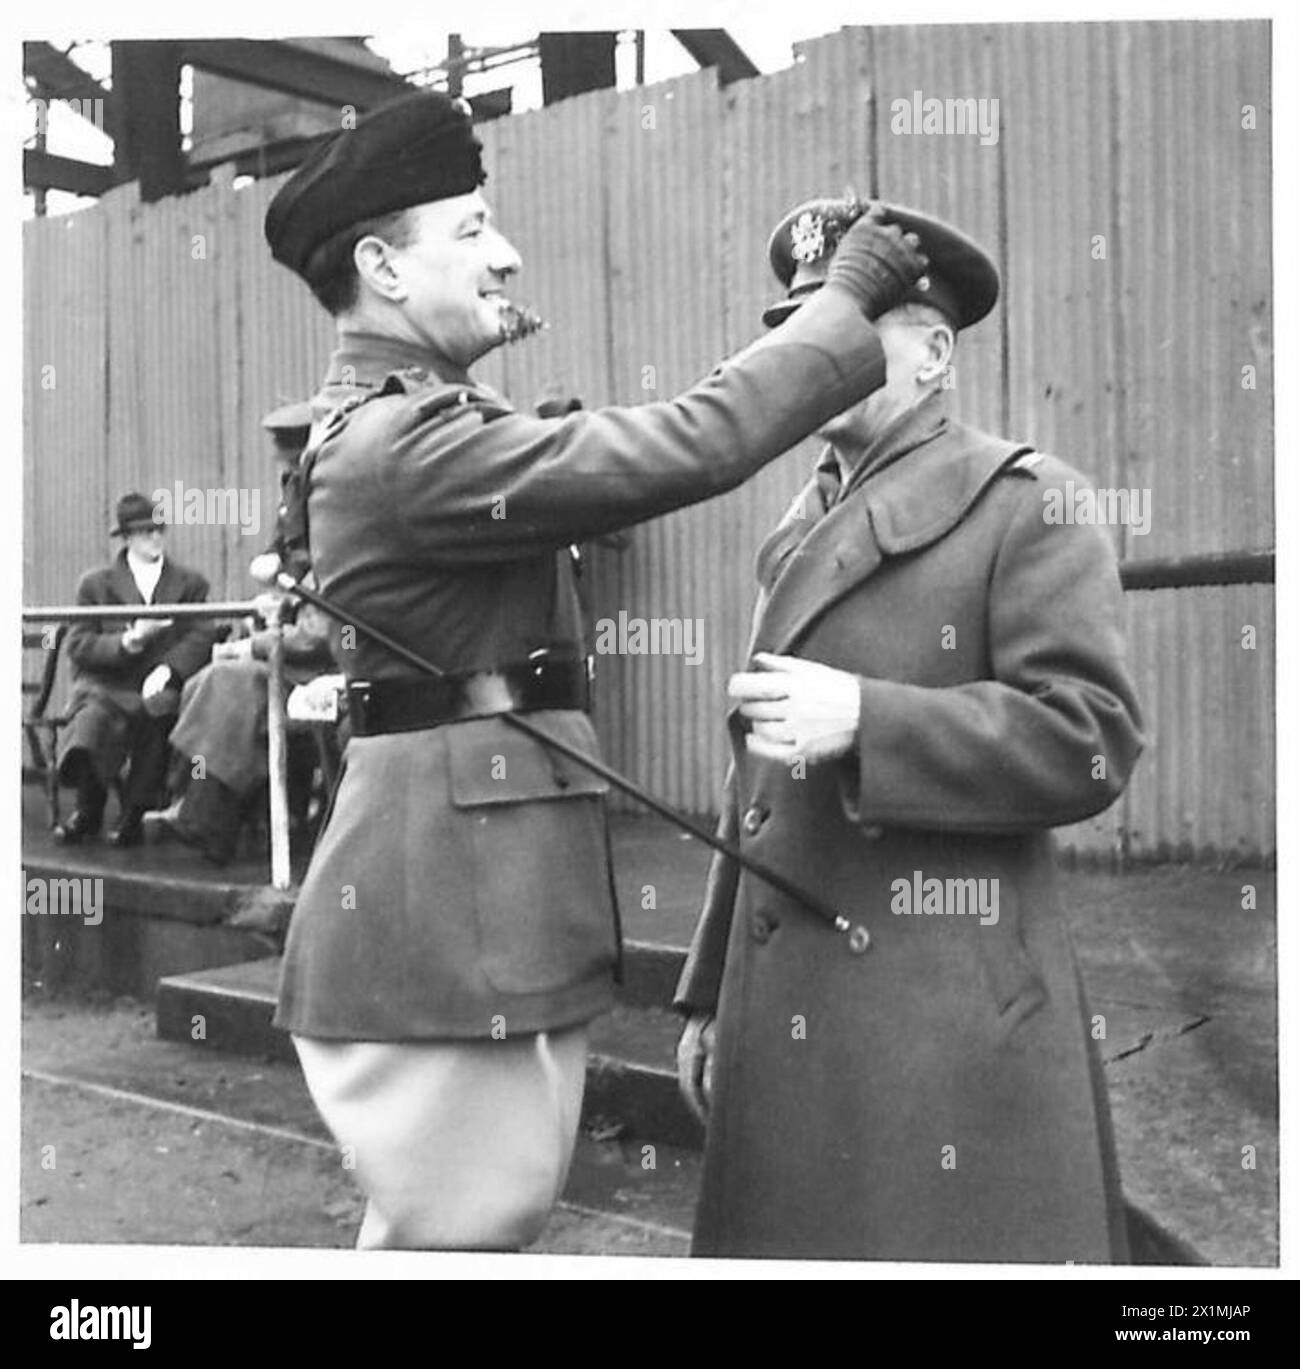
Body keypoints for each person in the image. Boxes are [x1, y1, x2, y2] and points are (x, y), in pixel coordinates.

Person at [261, 91, 928, 1251]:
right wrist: (841, 304)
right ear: (382, 266)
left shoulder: (412, 422)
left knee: (452, 1233)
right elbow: (692, 441)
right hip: (451, 928)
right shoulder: (405, 442)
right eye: (468, 230)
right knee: (464, 1230)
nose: (505, 252)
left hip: (471, 910)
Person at [674, 196, 1146, 1263]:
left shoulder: (1026, 502)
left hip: (938, 1016)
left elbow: (1090, 736)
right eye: (798, 323)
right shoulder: (799, 526)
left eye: (848, 321)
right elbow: (749, 793)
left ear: (932, 354)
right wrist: (709, 998)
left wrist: (869, 722)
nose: (814, 346)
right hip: (787, 1004)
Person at [148, 404, 337, 864]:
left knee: (229, 681)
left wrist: (248, 644)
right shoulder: (300, 534)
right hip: (293, 652)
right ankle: (201, 806)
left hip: (324, 663)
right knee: (207, 682)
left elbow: (315, 639)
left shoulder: (333, 551)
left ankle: (210, 817)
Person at [54, 493, 216, 847]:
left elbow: (202, 633)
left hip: (158, 682)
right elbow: (79, 644)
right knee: (93, 718)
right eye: (145, 532)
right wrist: (128, 641)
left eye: (159, 530)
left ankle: (135, 811)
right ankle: (87, 810)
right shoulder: (95, 585)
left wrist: (169, 670)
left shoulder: (189, 583)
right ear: (126, 537)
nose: (155, 538)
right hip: (108, 682)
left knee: (156, 713)